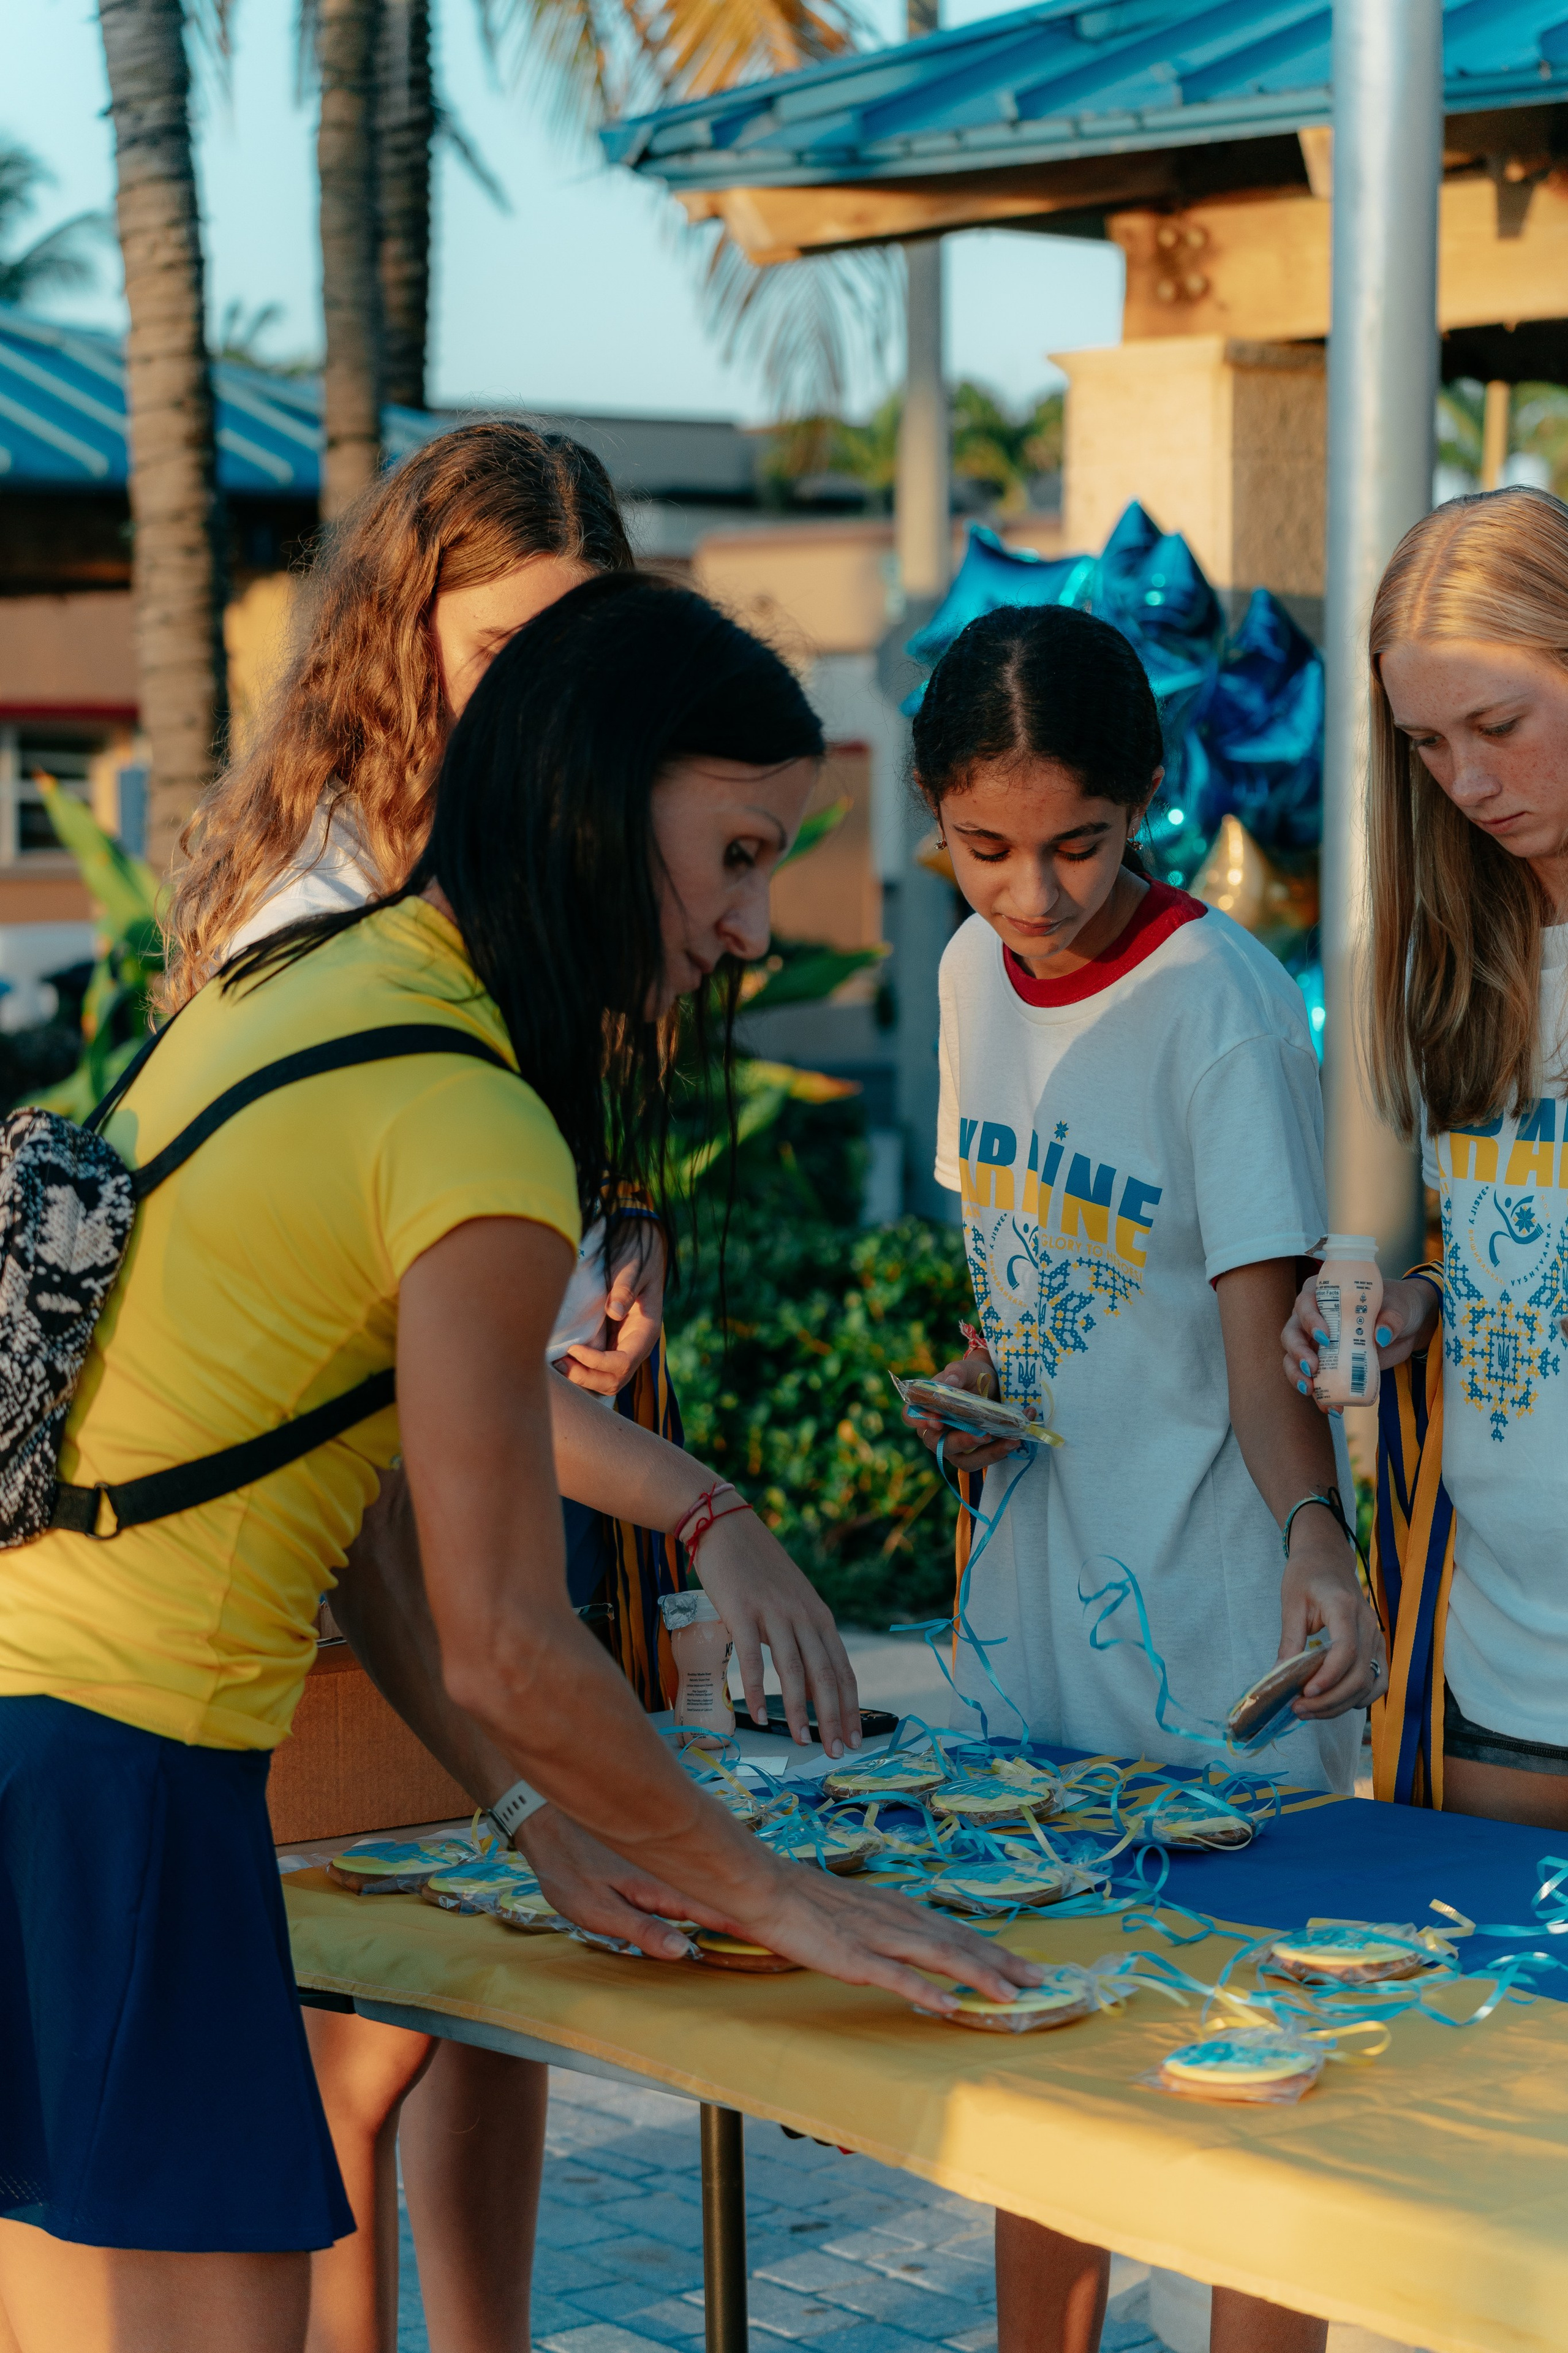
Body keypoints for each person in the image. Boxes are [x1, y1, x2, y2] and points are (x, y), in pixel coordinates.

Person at [0, 573, 1038, 2353]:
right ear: (589, 805)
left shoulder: (313, 979)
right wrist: (778, 1895)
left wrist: (528, 1812)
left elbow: (347, 1514)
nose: (755, 923)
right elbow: (506, 1633)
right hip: (119, 1781)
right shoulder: (473, 1125)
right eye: (733, 852)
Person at [162, 422, 861, 2353]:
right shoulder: (373, 973)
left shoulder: (500, 968)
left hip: (206, 1669)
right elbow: (395, 1454)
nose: (743, 933)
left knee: (479, 2027)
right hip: (218, 1657)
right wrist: (783, 1892)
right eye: (497, 653)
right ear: (405, 646)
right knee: (347, 2076)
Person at [904, 605, 1381, 2353]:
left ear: (1150, 804)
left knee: (1259, 2094)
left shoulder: (1221, 1009)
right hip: (1037, 1624)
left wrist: (1319, 1540)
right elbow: (1032, 1286)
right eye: (985, 849)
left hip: (1216, 1626)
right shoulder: (967, 980)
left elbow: (1261, 1340)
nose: (1034, 892)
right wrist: (978, 1385)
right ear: (932, 820)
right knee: (1050, 2065)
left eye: (1080, 844)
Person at [1284, 484, 1568, 1832]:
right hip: (1491, 1661)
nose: (1462, 782)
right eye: (1425, 742)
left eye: (1497, 727)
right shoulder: (1437, 963)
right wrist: (1421, 1302)